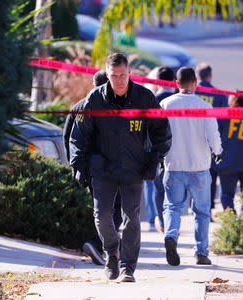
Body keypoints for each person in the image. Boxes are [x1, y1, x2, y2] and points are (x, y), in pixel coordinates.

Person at [70, 53, 172, 282]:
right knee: (102, 216)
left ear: (129, 74)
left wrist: (153, 160)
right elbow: (79, 136)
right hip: (102, 170)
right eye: (114, 76)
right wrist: (79, 165)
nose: (119, 80)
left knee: (131, 218)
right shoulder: (95, 100)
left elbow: (162, 131)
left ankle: (127, 267)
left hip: (133, 168)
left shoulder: (144, 98)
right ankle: (111, 254)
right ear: (107, 75)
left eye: (123, 75)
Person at [160, 67, 223, 266]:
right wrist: (218, 151)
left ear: (176, 83)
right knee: (202, 211)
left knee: (172, 207)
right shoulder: (204, 106)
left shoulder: (165, 104)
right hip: (199, 166)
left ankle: (171, 235)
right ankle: (201, 253)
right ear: (195, 81)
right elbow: (213, 136)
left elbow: (159, 135)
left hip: (173, 165)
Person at [63, 70, 122, 266]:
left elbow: (68, 139)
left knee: (100, 209)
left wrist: (75, 167)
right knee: (115, 210)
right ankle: (99, 244)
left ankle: (105, 246)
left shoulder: (79, 106)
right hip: (110, 168)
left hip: (88, 168)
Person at [144, 66, 175, 232]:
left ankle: (156, 219)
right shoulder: (177, 100)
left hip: (155, 151)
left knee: (155, 187)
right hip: (176, 151)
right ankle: (170, 220)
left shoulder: (152, 100)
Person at [194, 63, 228, 219]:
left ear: (197, 76)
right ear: (210, 76)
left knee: (191, 174)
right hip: (211, 141)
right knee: (211, 176)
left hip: (191, 140)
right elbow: (223, 122)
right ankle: (207, 208)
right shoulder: (220, 95)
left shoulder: (191, 93)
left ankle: (194, 205)